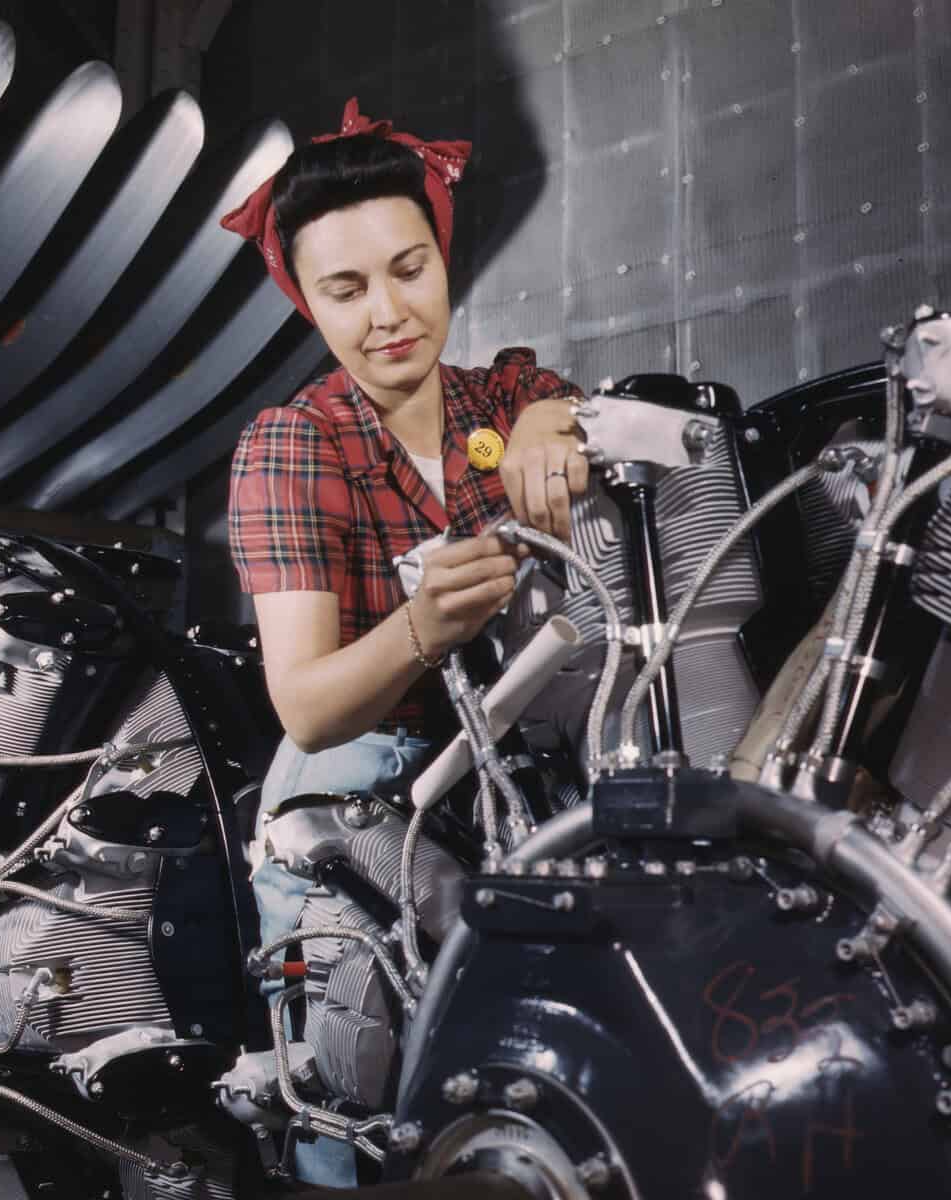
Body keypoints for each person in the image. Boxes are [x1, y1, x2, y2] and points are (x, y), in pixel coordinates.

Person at [220, 99, 587, 1182]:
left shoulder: (506, 392)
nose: (388, 313)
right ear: (305, 301)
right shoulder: (294, 445)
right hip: (355, 805)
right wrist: (422, 629)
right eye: (345, 289)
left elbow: (567, 414)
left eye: (408, 269)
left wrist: (546, 423)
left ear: (441, 254)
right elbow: (308, 705)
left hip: (513, 789)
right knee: (358, 1116)